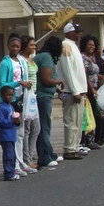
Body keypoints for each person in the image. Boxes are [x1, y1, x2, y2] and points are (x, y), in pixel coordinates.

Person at [0, 33, 34, 176]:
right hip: (10, 102)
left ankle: (20, 161)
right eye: (12, 46)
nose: (14, 48)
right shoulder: (5, 63)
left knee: (22, 133)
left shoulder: (21, 61)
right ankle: (15, 164)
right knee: (15, 133)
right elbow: (2, 85)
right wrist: (18, 83)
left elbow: (24, 78)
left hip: (22, 99)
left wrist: (26, 86)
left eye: (17, 46)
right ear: (8, 46)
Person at [57, 23, 89, 160]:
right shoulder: (65, 46)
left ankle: (75, 146)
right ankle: (69, 148)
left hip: (79, 90)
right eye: (77, 32)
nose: (79, 34)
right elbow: (68, 70)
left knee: (78, 120)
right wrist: (75, 90)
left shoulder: (73, 45)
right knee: (71, 120)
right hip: (71, 90)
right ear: (69, 32)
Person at [34, 36, 64, 168]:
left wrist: (56, 88)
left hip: (44, 95)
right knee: (44, 127)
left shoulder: (44, 56)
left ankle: (49, 152)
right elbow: (46, 80)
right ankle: (44, 157)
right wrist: (59, 82)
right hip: (42, 97)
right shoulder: (46, 57)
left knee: (45, 126)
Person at [18, 36, 42, 172]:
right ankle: (26, 160)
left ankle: (30, 156)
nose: (34, 47)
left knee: (36, 128)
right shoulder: (22, 61)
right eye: (31, 45)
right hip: (26, 97)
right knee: (26, 129)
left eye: (34, 45)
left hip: (34, 97)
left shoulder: (31, 60)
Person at [0, 86, 21, 181]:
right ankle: (8, 173)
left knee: (12, 155)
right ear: (2, 95)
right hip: (5, 135)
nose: (10, 97)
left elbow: (14, 118)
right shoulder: (1, 108)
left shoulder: (11, 107)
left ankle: (12, 171)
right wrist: (12, 121)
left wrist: (17, 121)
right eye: (8, 95)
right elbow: (0, 122)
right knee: (8, 155)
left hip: (11, 135)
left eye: (11, 95)